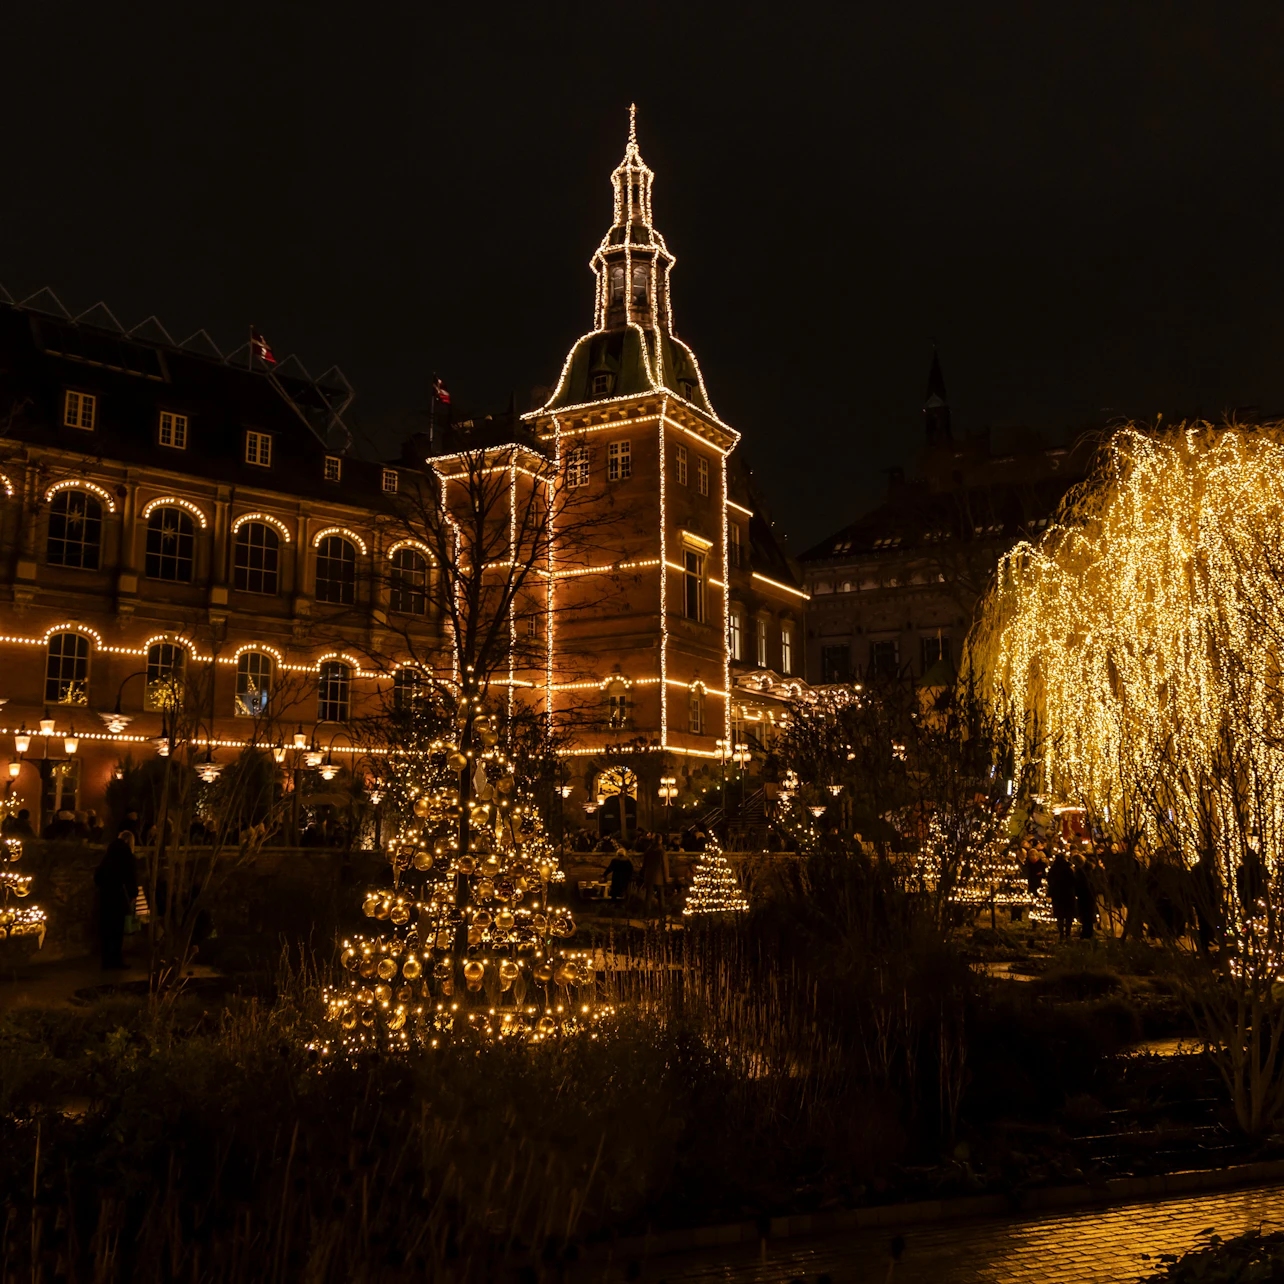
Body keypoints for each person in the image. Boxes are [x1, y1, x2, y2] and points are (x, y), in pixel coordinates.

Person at [94, 830, 139, 970]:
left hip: (105, 896)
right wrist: (133, 894)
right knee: (117, 931)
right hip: (118, 896)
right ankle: (116, 960)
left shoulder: (108, 855)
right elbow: (130, 877)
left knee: (106, 930)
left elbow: (98, 876)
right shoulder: (127, 856)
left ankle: (106, 961)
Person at [1046, 848, 1077, 941]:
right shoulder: (1068, 869)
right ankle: (1068, 933)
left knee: (1059, 915)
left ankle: (1061, 934)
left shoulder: (1053, 869)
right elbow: (1073, 881)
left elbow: (1049, 881)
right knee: (1068, 915)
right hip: (1068, 894)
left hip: (1057, 895)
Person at [641, 842, 670, 917]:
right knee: (661, 897)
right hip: (659, 878)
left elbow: (644, 865)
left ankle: (646, 914)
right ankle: (662, 914)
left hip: (649, 877)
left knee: (648, 897)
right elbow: (665, 866)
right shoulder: (662, 852)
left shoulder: (648, 852)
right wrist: (666, 879)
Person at [1073, 854, 1098, 939]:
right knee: (1088, 915)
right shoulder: (1088, 870)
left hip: (1085, 896)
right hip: (1088, 895)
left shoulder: (1080, 872)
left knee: (1086, 915)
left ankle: (1087, 933)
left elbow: (1083, 884)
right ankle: (1088, 932)